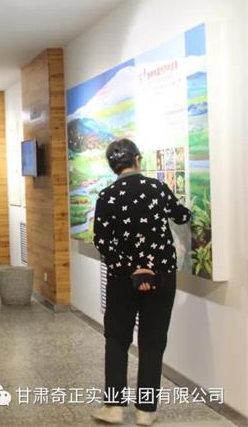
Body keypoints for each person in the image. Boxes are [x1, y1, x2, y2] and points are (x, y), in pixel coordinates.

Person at [91, 139, 191, 427]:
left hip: (123, 279)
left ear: (113, 166)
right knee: (152, 342)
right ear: (137, 159)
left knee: (117, 339)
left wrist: (132, 268)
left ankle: (114, 407)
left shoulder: (107, 196)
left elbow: (102, 241)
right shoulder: (157, 187)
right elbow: (181, 215)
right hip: (161, 276)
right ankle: (146, 411)